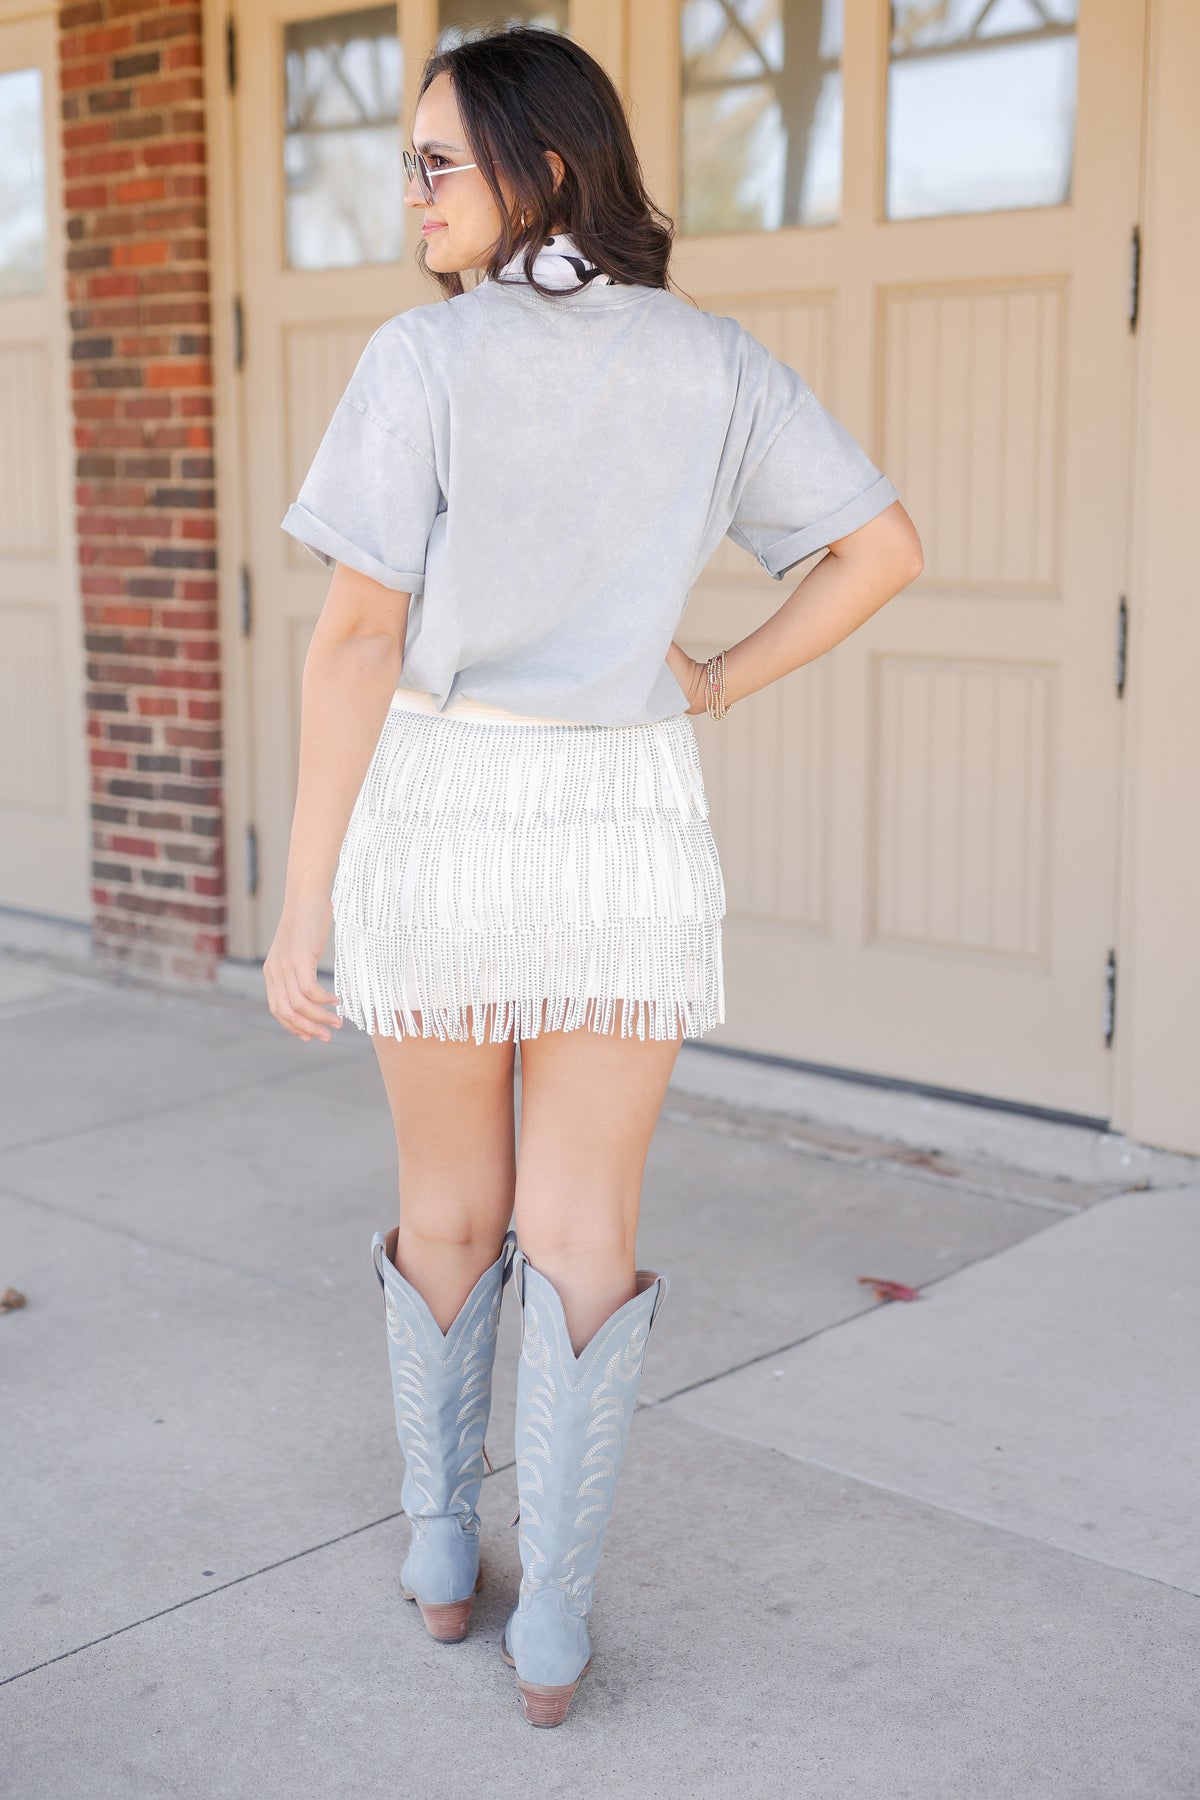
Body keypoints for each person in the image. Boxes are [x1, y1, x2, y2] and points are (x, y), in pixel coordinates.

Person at [266, 23, 922, 1729]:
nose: (405, 194)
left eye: (433, 164)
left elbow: (354, 642)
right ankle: (552, 1628)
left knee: (450, 1210)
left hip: (450, 809)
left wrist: (299, 900)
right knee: (580, 1230)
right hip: (629, 819)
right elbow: (884, 551)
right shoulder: (712, 364)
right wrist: (709, 681)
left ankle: (436, 1557)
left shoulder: (423, 362)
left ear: (542, 169)